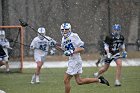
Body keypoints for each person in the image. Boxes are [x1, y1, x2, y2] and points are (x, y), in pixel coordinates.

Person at [57, 23, 109, 93]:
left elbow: (82, 48)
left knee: (66, 80)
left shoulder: (74, 36)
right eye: (62, 30)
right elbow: (64, 50)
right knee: (79, 81)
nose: (64, 31)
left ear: (69, 29)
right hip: (72, 60)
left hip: (75, 60)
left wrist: (71, 51)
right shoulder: (63, 39)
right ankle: (99, 80)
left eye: (66, 29)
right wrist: (54, 45)